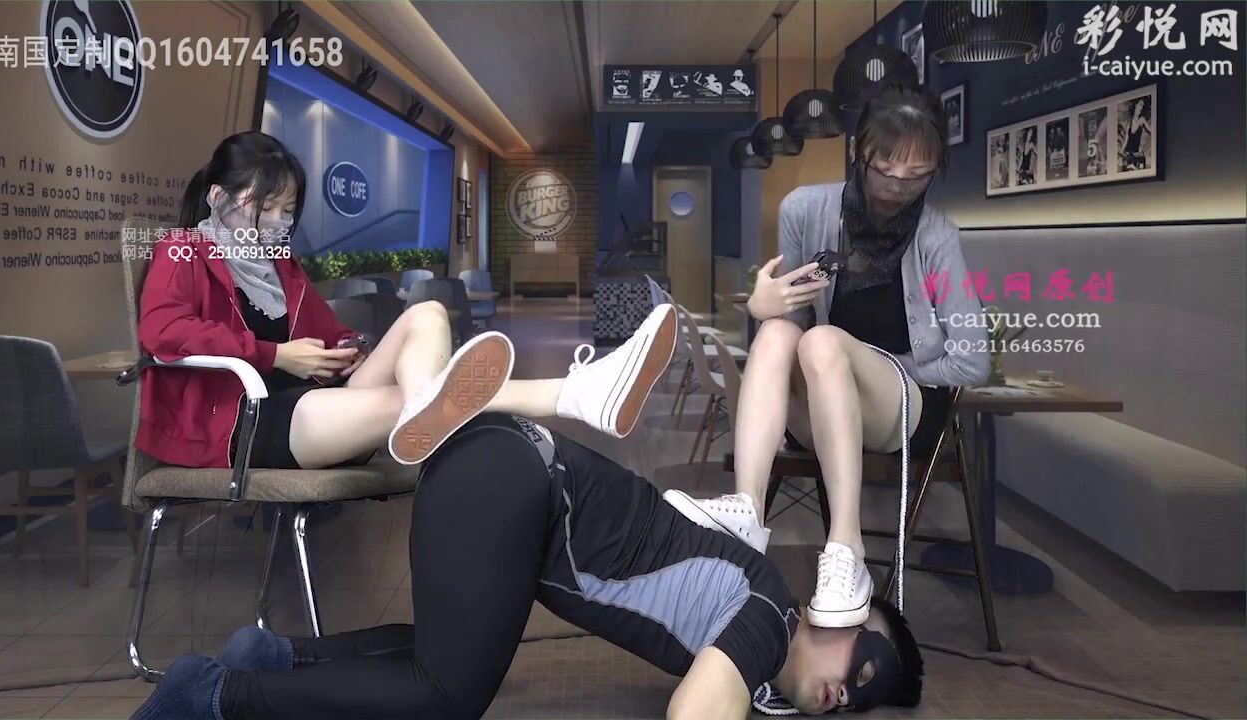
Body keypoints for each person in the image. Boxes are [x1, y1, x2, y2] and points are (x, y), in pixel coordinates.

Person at [131, 413, 923, 720]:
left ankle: (269, 656)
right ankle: (213, 697)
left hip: (503, 468)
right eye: (861, 661)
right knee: (448, 696)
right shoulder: (769, 617)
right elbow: (694, 713)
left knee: (448, 655)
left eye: (858, 702)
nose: (844, 694)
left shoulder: (763, 629)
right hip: (513, 484)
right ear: (836, 611)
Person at [135, 131, 678, 472]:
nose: (278, 222)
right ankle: (573, 394)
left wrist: (348, 349)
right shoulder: (183, 249)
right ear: (217, 197)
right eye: (265, 207)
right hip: (245, 422)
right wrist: (277, 355)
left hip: (323, 404)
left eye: (287, 210)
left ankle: (566, 397)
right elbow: (162, 331)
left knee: (428, 314)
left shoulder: (282, 266)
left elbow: (330, 332)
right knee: (423, 400)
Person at [666, 84, 988, 631]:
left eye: (917, 177)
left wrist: (870, 361)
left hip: (896, 409)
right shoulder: (806, 209)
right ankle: (747, 509)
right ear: (859, 152)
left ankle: (846, 550)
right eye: (885, 170)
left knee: (823, 342)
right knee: (782, 335)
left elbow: (973, 360)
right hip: (819, 407)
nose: (897, 188)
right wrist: (764, 308)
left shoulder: (936, 237)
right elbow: (792, 321)